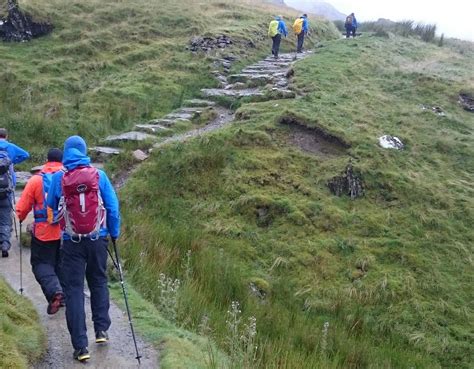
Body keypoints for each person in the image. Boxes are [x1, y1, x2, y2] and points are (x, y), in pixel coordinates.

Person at [47, 136, 120, 362]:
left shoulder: (59, 177)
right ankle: (101, 331)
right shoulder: (99, 176)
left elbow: (51, 204)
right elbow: (112, 207)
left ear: (67, 153)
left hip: (71, 242)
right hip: (98, 239)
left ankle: (80, 347)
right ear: (84, 151)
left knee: (75, 291)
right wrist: (113, 232)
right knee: (98, 280)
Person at [16, 148, 64, 314]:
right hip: (67, 232)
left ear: (47, 160)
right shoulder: (68, 176)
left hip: (44, 232)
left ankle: (55, 292)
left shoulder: (37, 180)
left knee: (41, 265)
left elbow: (21, 208)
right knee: (60, 264)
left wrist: (21, 217)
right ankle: (63, 295)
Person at [0, 128, 29, 258]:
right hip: (7, 188)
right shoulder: (11, 147)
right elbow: (25, 154)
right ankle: (5, 244)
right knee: (6, 217)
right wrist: (12, 161)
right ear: (6, 136)